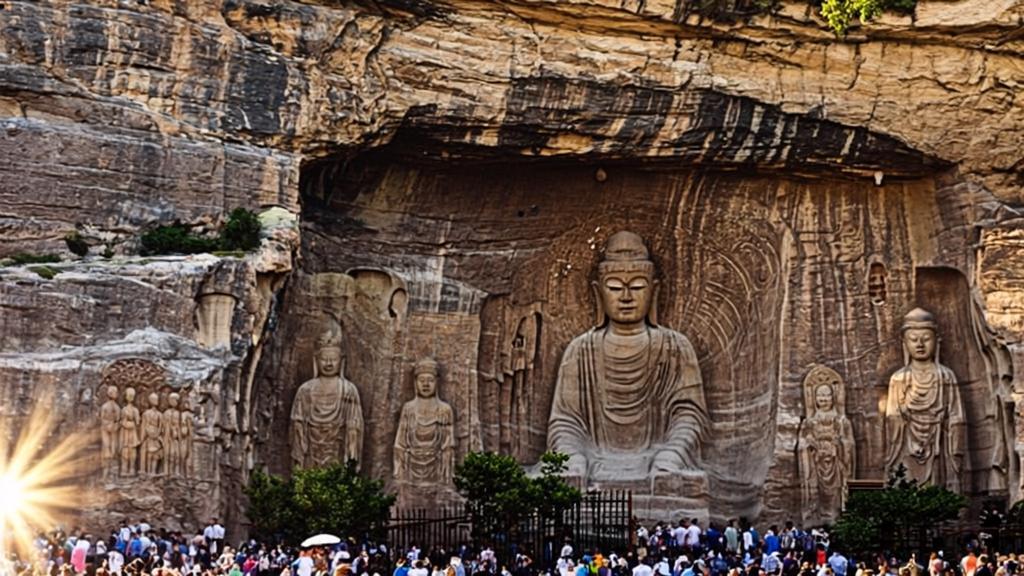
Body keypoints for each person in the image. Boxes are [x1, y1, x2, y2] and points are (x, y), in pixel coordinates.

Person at [547, 231, 708, 483]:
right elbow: (565, 422)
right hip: (594, 461)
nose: (625, 297)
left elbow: (689, 416)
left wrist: (672, 453)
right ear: (598, 292)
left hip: (656, 459)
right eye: (614, 288)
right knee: (569, 475)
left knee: (676, 479)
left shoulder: (675, 346)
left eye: (636, 287)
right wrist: (573, 457)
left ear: (654, 290)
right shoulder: (580, 350)